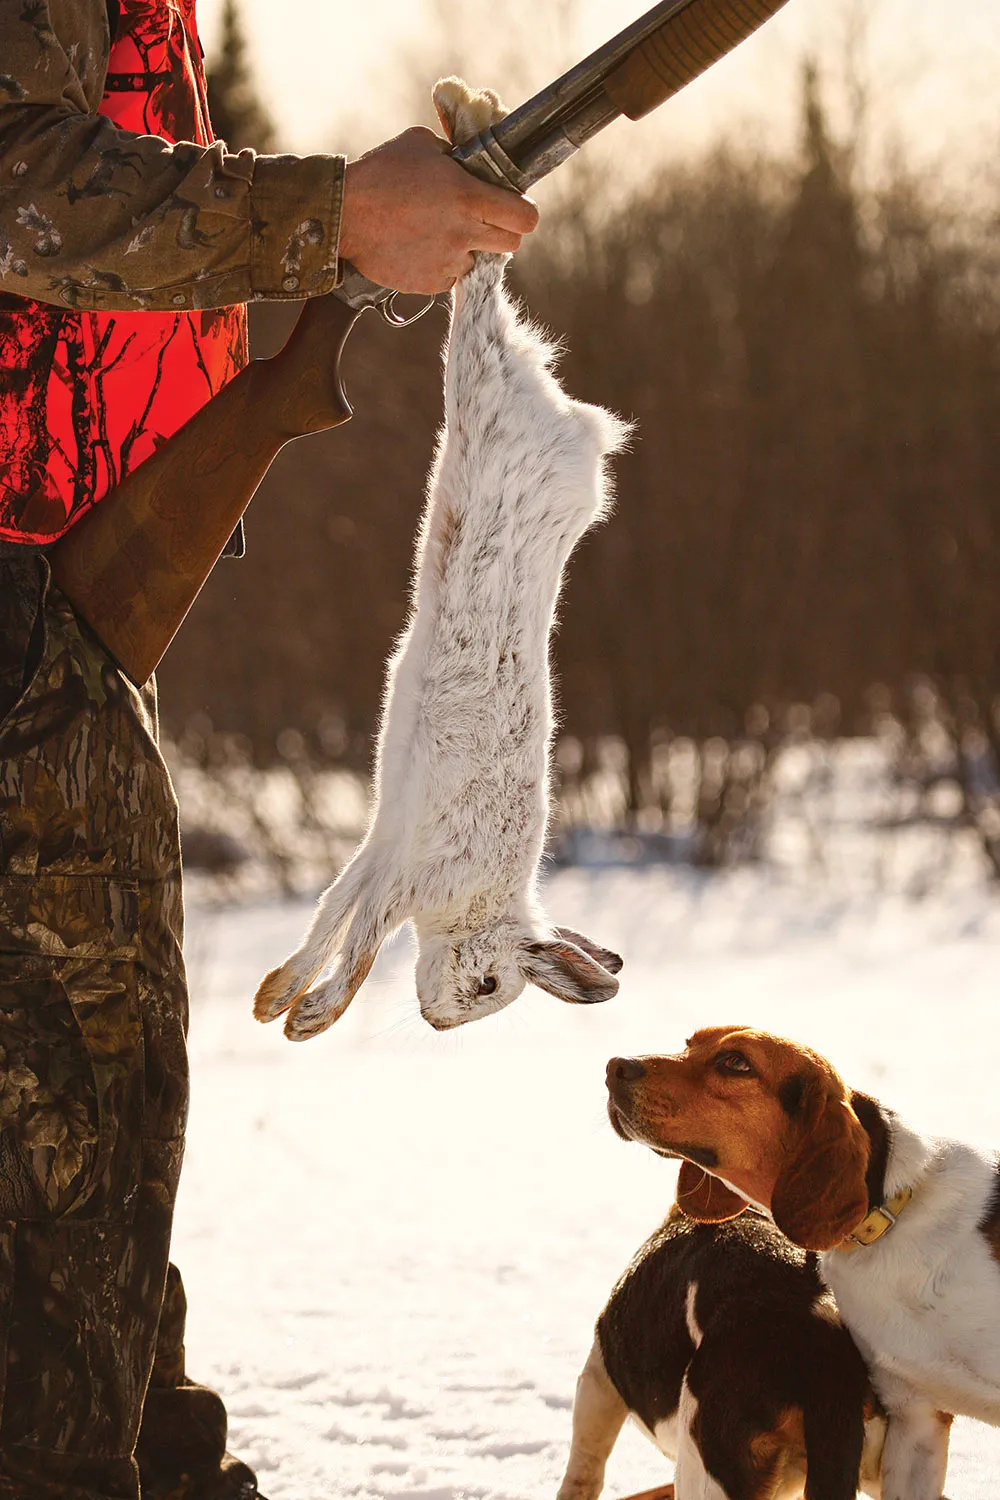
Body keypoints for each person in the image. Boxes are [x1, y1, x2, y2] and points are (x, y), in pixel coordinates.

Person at [0, 3, 539, 1497]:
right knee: (70, 1122)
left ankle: (152, 1454)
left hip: (54, 592)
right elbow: (13, 176)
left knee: (68, 1137)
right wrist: (330, 222)